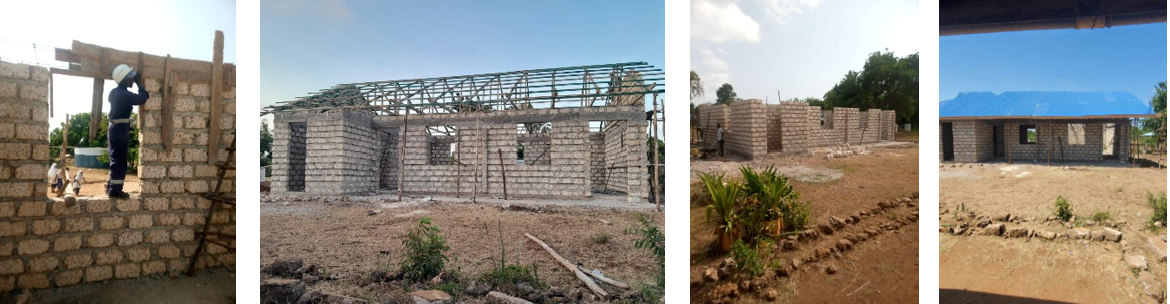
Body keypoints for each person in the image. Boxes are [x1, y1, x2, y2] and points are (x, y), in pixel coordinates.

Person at [106, 64, 148, 199]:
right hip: (119, 131)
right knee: (120, 160)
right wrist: (139, 84)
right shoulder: (125, 95)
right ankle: (115, 191)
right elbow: (143, 98)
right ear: (123, 80)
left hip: (114, 129)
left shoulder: (114, 92)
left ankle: (110, 187)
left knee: (114, 158)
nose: (132, 80)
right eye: (130, 78)